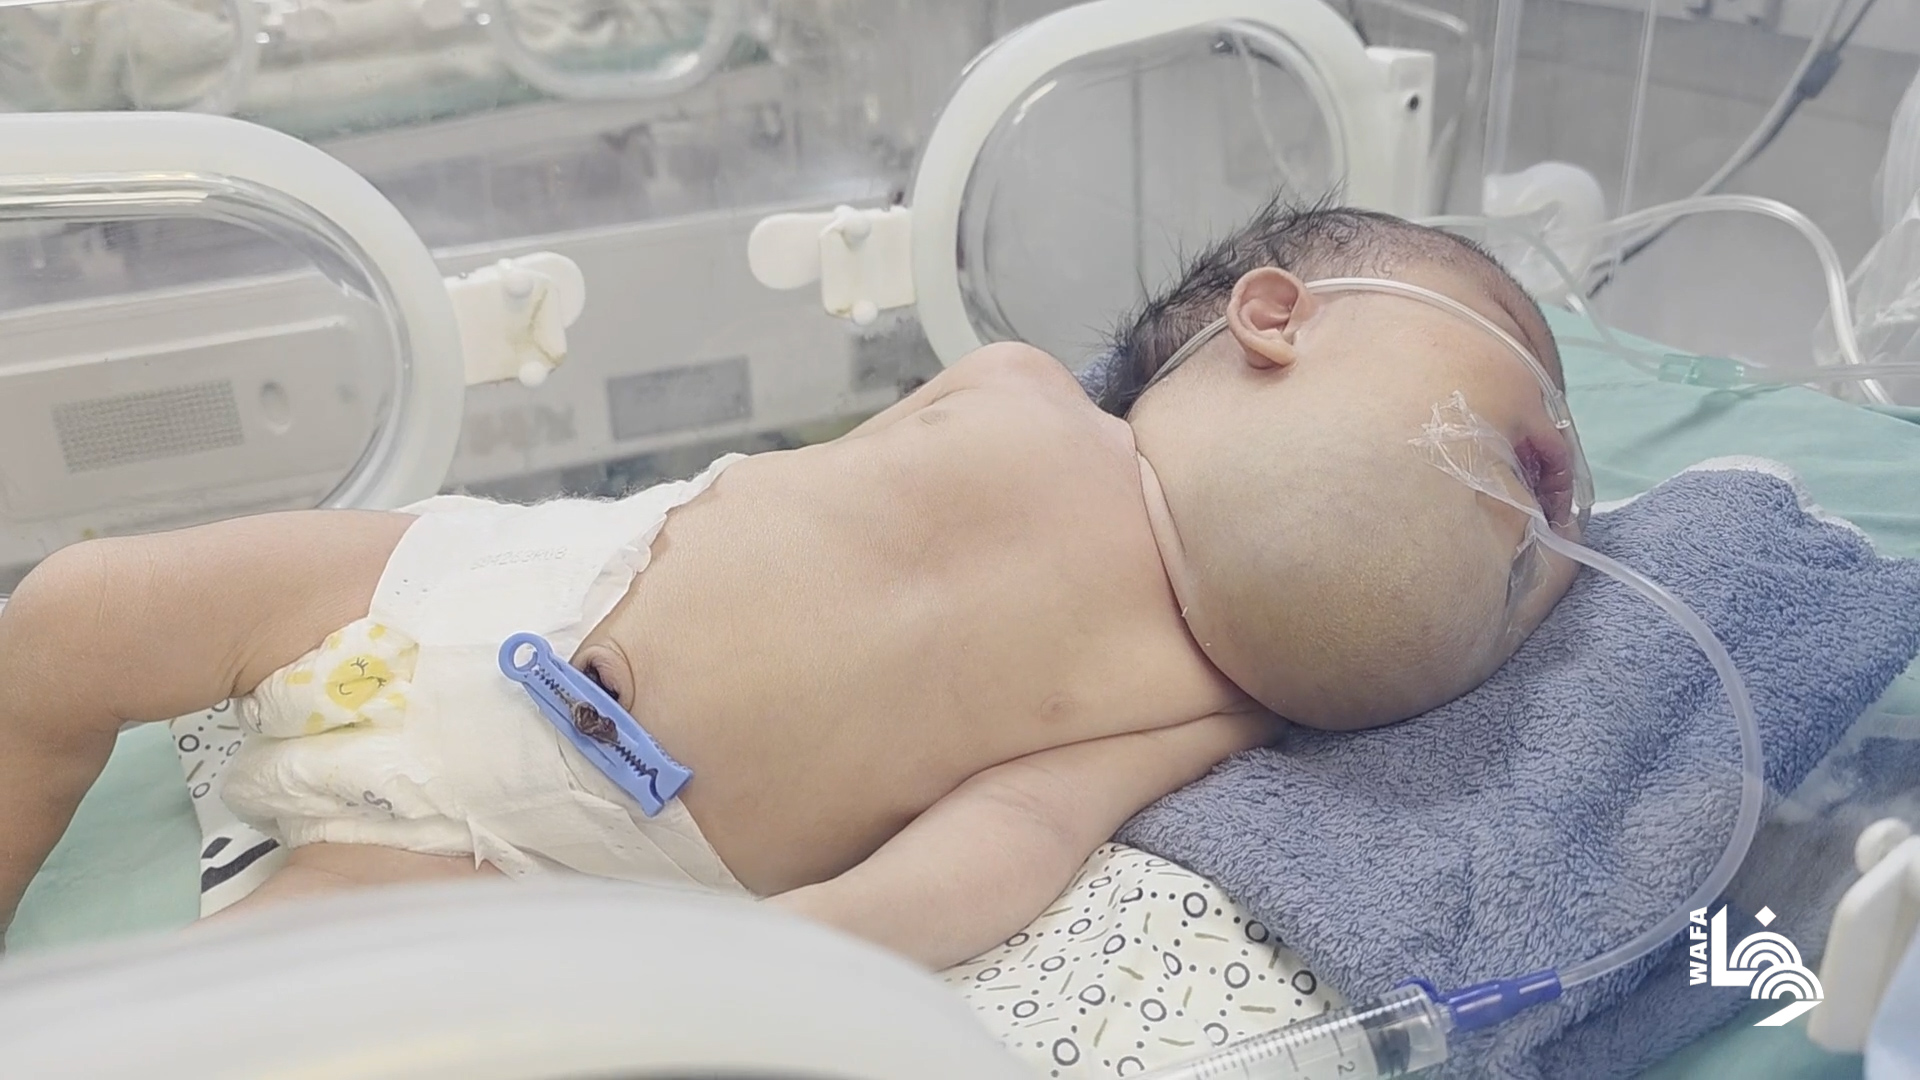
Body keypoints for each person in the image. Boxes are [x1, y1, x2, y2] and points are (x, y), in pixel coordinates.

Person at [0, 203, 1578, 968]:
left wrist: (789, 955)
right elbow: (747, 499)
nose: (1563, 510)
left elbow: (1005, 844)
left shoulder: (1199, 710)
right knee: (74, 615)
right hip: (467, 580)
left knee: (246, 1020)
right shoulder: (1023, 392)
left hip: (550, 848)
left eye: (1539, 586)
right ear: (1279, 320)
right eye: (1536, 422)